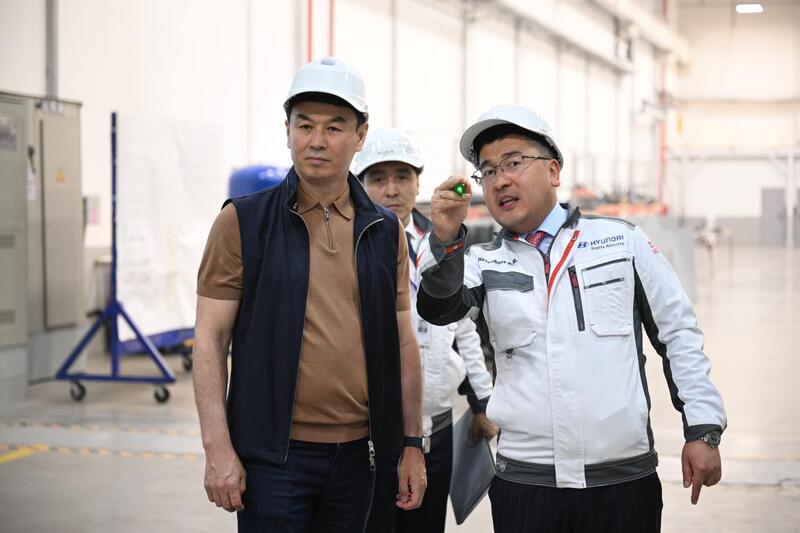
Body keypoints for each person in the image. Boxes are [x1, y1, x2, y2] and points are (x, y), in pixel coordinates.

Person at [416, 104, 728, 532]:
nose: (500, 179)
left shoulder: (621, 242)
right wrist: (446, 240)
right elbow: (437, 308)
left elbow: (678, 333)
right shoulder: (480, 262)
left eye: (513, 162)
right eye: (487, 171)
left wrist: (703, 428)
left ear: (554, 170)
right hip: (527, 484)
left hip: (622, 480)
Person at [192, 57, 427, 532]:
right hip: (273, 459)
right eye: (305, 125)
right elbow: (210, 338)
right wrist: (218, 448)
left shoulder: (384, 232)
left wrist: (411, 443)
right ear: (288, 131)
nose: (317, 140)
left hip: (359, 457)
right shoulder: (243, 223)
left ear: (360, 136)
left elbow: (403, 342)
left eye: (334, 127)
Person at [353, 128, 498, 533]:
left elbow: (464, 329)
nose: (392, 189)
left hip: (437, 422)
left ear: (418, 182)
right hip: (371, 427)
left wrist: (482, 403)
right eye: (378, 178)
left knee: (426, 524)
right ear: (361, 185)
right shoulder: (349, 246)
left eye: (402, 176)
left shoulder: (441, 245)